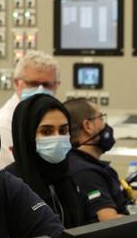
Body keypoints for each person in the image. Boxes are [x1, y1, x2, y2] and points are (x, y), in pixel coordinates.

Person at [7, 93, 93, 228]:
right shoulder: (9, 186)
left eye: (63, 130)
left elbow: (89, 223)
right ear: (27, 135)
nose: (57, 138)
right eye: (46, 132)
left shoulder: (70, 177)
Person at [65, 97, 136, 221]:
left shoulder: (86, 163)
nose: (105, 125)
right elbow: (109, 220)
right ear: (88, 126)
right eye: (101, 119)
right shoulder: (86, 172)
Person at [0, 50, 60, 168]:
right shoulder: (0, 126)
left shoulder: (58, 119)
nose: (40, 90)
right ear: (17, 83)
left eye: (47, 85)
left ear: (57, 85)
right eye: (33, 84)